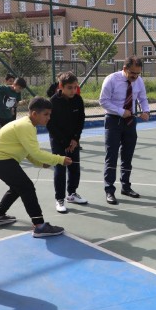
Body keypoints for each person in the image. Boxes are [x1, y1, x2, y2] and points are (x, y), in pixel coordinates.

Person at [0, 96, 71, 237]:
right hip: (0, 160)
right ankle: (39, 225)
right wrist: (60, 159)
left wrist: (41, 163)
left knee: (18, 187)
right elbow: (35, 152)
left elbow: (28, 152)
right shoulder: (26, 126)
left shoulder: (27, 125)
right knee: (27, 187)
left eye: (50, 114)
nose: (48, 118)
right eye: (46, 114)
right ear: (34, 114)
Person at [99, 56, 150, 205]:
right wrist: (121, 111)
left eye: (138, 73)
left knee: (127, 156)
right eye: (133, 73)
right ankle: (109, 190)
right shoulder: (111, 79)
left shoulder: (138, 81)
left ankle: (126, 186)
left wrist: (146, 111)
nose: (135, 76)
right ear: (125, 69)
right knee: (112, 156)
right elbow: (103, 101)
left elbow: (143, 98)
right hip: (113, 121)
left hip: (130, 122)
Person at [47, 71, 86, 214]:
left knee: (75, 167)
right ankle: (60, 199)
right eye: (70, 87)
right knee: (60, 169)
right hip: (58, 141)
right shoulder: (52, 102)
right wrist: (64, 142)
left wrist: (75, 139)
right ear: (61, 86)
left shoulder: (78, 100)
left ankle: (72, 194)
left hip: (73, 141)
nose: (73, 90)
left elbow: (81, 120)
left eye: (75, 87)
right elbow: (50, 125)